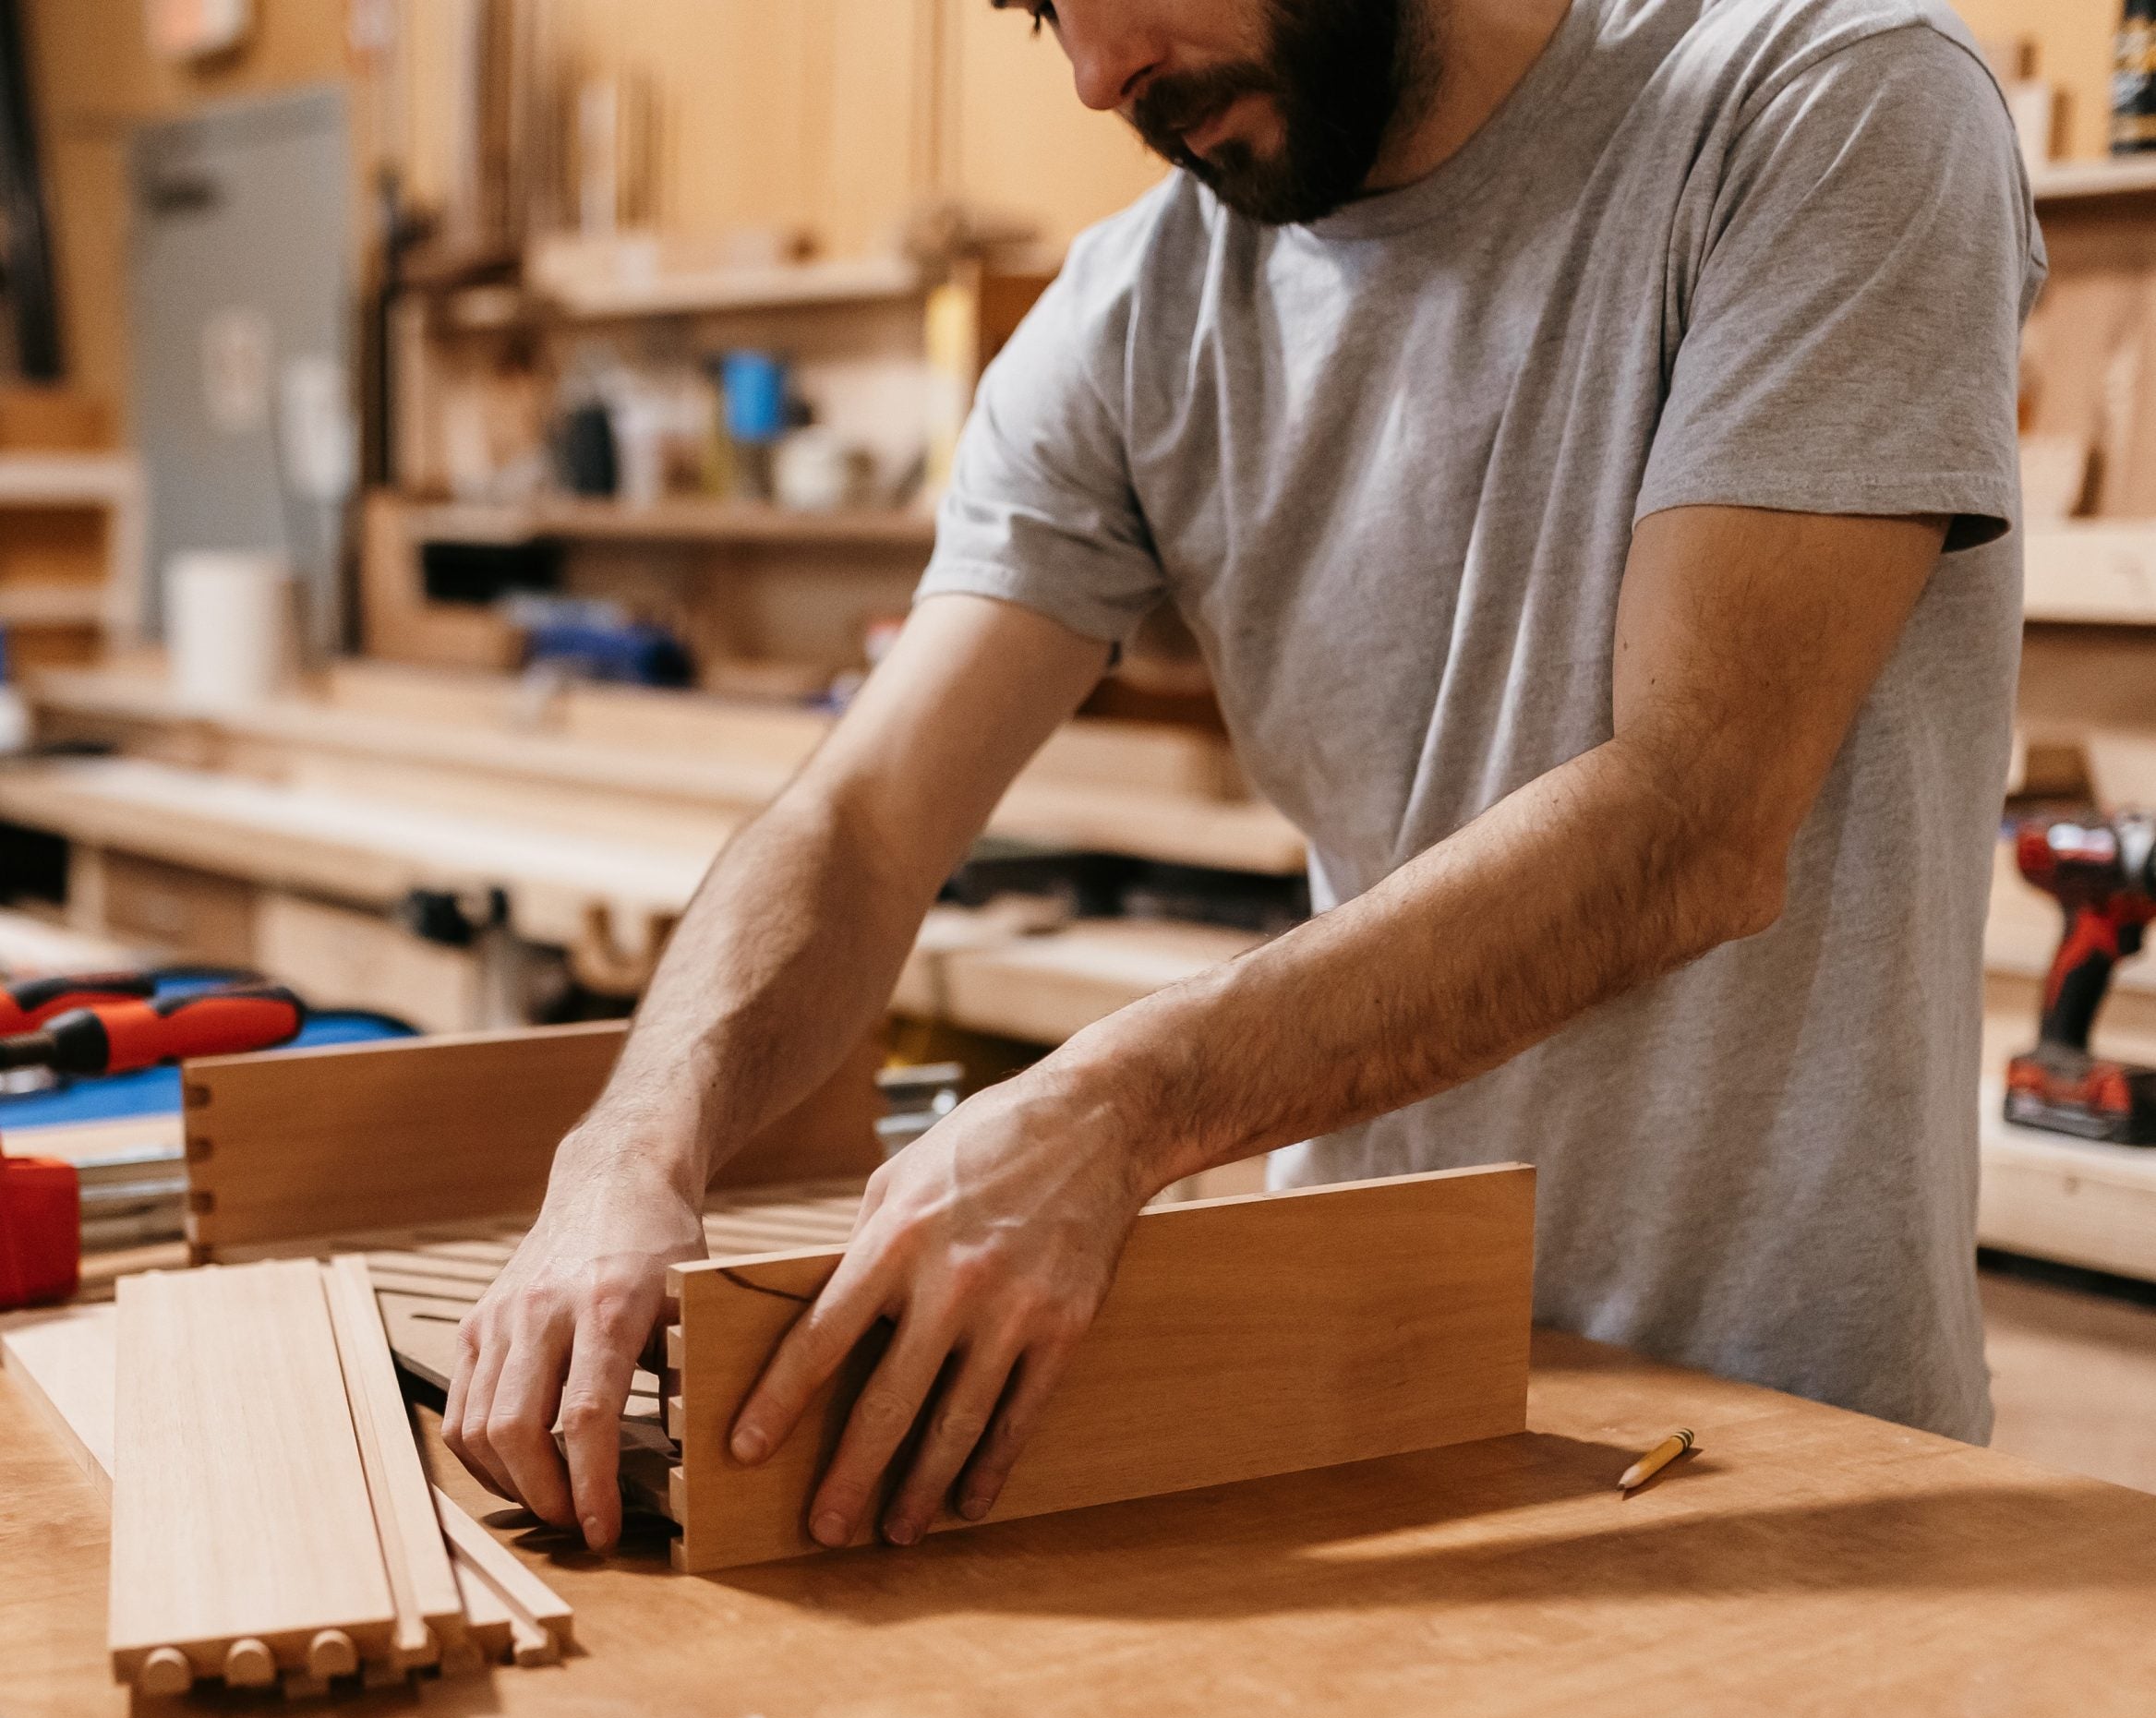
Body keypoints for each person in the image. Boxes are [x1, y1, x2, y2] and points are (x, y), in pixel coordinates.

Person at [447, 0, 2044, 1556]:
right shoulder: (1137, 315)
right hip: (1344, 1389)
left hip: (1783, 1441)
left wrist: (1120, 1101)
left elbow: (1696, 820)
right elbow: (864, 819)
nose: (1090, 73)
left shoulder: (1821, 104)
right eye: (1034, 11)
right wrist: (633, 1148)